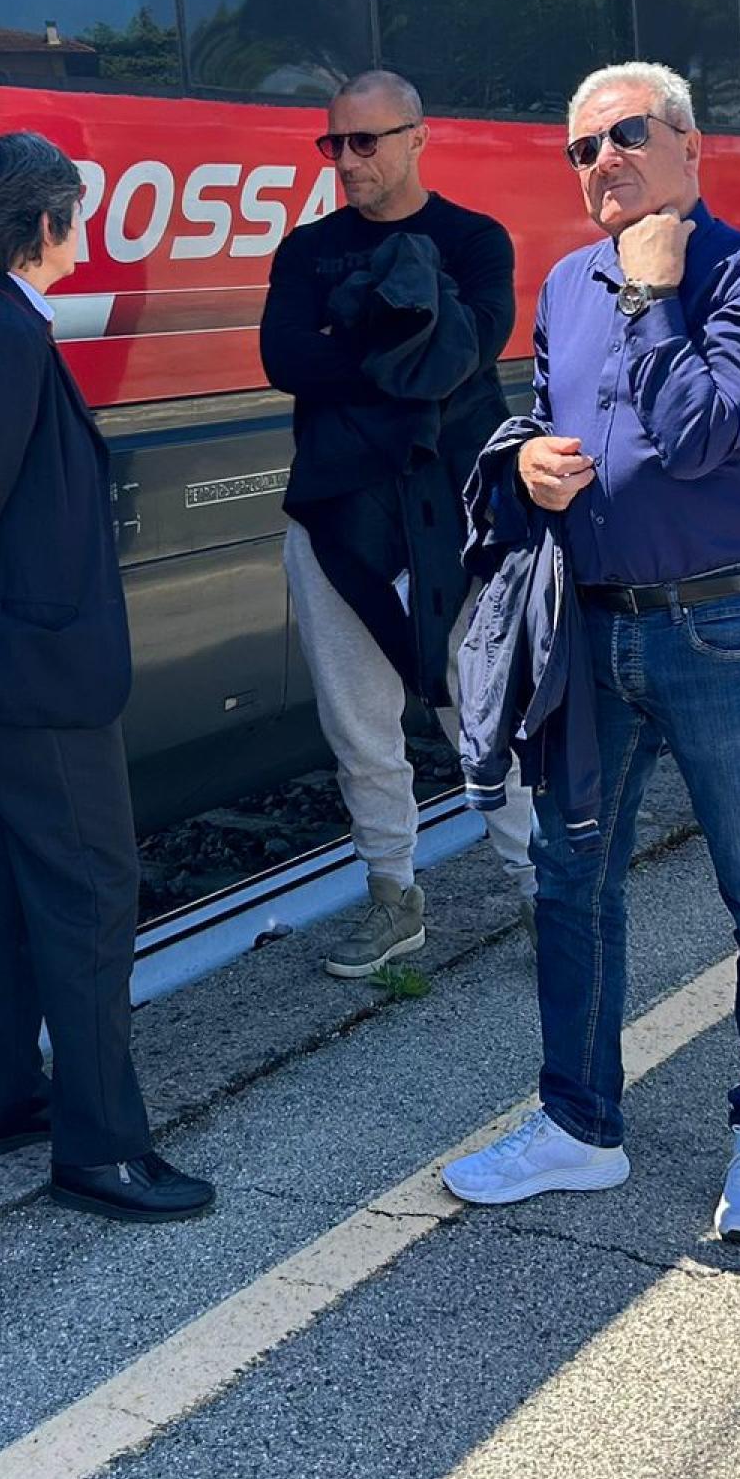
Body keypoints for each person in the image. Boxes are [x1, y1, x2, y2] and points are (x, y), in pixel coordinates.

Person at [441, 62, 740, 1245]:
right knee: (572, 882)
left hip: (717, 626)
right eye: (580, 148)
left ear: (690, 145)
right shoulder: (563, 281)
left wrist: (656, 296)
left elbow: (702, 435)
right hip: (587, 625)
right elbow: (552, 413)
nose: (600, 161)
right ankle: (579, 1127)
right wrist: (525, 468)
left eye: (624, 136)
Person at [0, 133, 213, 1223]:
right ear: (45, 224)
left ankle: (4, 1101)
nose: (84, 230)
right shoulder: (5, 338)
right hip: (31, 671)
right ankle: (103, 1149)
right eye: (77, 211)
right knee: (89, 893)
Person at [261, 70, 532, 978]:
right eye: (332, 144)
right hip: (336, 514)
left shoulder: (473, 240)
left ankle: (543, 888)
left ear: (419, 137)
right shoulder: (306, 251)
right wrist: (403, 346)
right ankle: (393, 899)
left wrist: (354, 350)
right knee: (358, 722)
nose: (346, 161)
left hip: (456, 510)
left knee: (482, 702)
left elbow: (472, 352)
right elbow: (283, 358)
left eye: (364, 142)